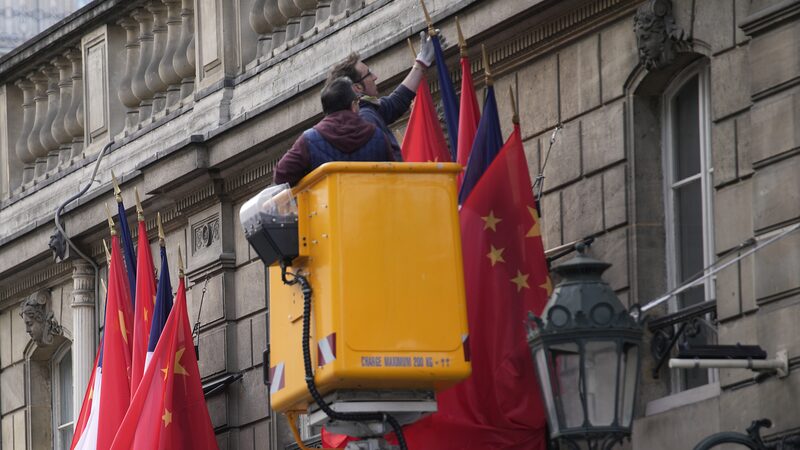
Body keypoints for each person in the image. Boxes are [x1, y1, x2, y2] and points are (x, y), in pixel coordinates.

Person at [328, 31, 440, 161]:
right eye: (369, 74)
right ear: (357, 88)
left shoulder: (365, 111)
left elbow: (395, 102)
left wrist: (421, 63)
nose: (375, 77)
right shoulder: (365, 117)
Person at [274, 77, 394, 186]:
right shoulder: (377, 135)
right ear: (353, 105)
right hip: (372, 202)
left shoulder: (309, 140)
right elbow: (394, 176)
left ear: (325, 109)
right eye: (358, 102)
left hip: (328, 203)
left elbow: (281, 175)